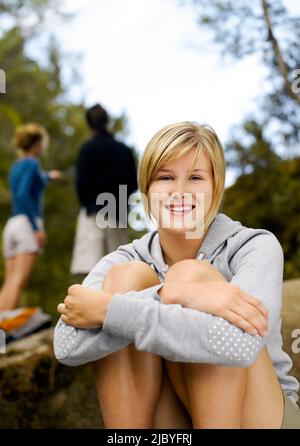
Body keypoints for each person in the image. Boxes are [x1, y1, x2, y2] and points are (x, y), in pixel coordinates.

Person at [53, 122, 300, 429]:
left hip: (260, 418)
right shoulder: (125, 258)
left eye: (195, 178)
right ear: (146, 189)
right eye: (166, 178)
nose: (180, 192)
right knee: (125, 279)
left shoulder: (254, 246)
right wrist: (168, 294)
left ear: (216, 187)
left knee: (192, 275)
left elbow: (239, 346)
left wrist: (110, 310)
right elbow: (65, 345)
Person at [70, 103, 138, 276]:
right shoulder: (123, 150)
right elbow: (133, 183)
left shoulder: (87, 149)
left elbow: (81, 182)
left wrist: (89, 203)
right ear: (107, 121)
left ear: (89, 124)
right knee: (118, 268)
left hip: (93, 212)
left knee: (91, 270)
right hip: (117, 213)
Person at [0, 123, 62, 311]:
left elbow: (33, 181)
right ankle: (5, 332)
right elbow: (23, 194)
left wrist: (48, 177)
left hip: (11, 225)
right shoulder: (33, 163)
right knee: (18, 284)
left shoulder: (16, 166)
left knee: (9, 283)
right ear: (37, 144)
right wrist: (36, 228)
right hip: (26, 225)